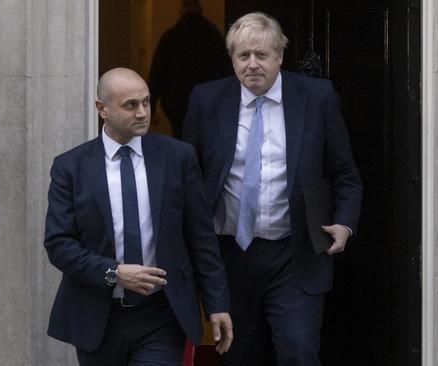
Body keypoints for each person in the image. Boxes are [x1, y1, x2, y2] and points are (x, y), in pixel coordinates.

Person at [183, 12, 363, 366]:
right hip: (228, 254)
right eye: (243, 56)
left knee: (298, 350)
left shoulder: (316, 97)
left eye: (261, 55)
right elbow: (187, 178)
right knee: (237, 355)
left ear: (279, 55)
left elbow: (345, 172)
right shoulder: (206, 100)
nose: (252, 65)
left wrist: (344, 223)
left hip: (293, 254)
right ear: (232, 59)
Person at [44, 67, 233, 366]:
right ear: (102, 109)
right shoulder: (71, 167)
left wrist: (217, 304)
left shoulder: (177, 158)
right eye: (130, 105)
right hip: (97, 314)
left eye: (146, 102)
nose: (143, 112)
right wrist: (114, 273)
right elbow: (59, 244)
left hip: (161, 314)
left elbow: (201, 238)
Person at [148, 0, 230, 138]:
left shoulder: (170, 36)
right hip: (208, 100)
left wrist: (151, 105)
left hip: (177, 101)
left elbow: (157, 71)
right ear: (201, 10)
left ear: (181, 11)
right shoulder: (214, 36)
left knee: (180, 136)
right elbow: (226, 69)